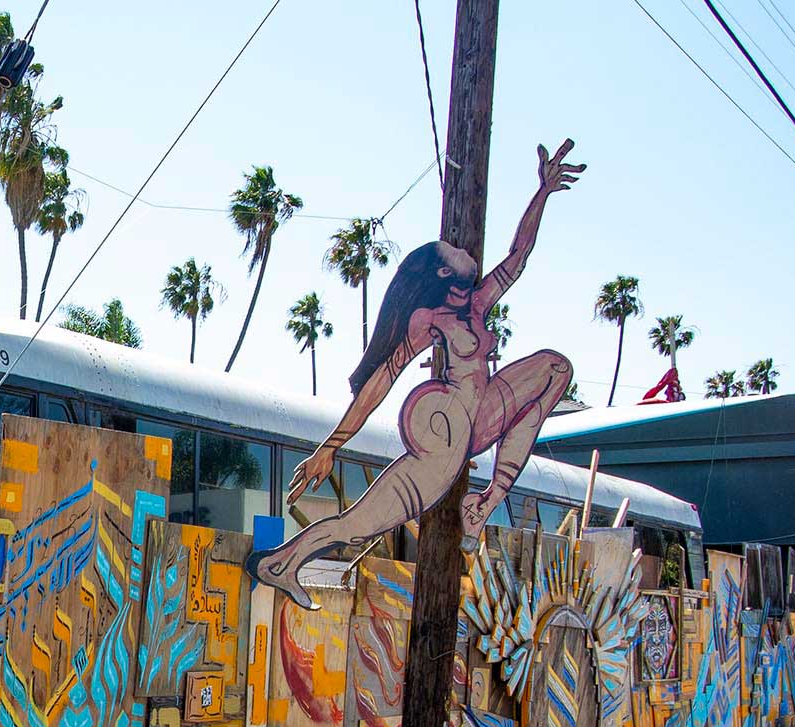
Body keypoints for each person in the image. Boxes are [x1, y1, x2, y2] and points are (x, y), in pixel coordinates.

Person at [246, 139, 585, 610]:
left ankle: (484, 504)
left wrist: (542, 193)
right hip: (440, 446)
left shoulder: (477, 303)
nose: (458, 249)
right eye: (449, 252)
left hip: (479, 418)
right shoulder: (430, 320)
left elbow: (518, 255)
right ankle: (279, 564)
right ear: (444, 276)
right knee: (355, 524)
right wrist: (331, 446)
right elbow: (383, 379)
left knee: (556, 369)